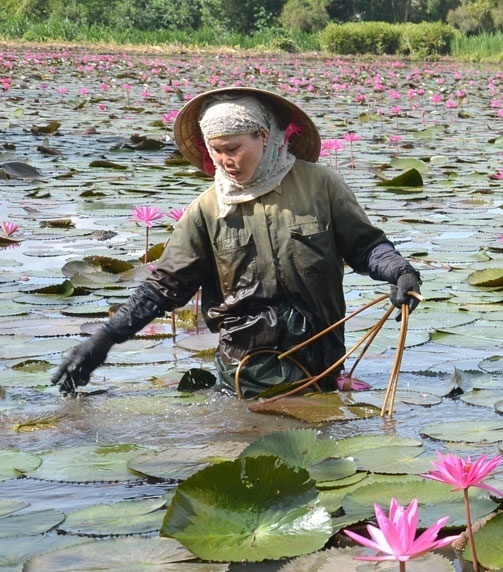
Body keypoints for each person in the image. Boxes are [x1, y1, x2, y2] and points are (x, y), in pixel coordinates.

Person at [52, 87, 421, 399]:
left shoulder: (320, 186)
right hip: (244, 374)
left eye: (233, 148)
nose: (225, 161)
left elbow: (366, 247)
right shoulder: (206, 210)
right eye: (215, 150)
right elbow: (162, 289)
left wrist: (399, 271)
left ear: (264, 136)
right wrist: (103, 339)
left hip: (320, 363)